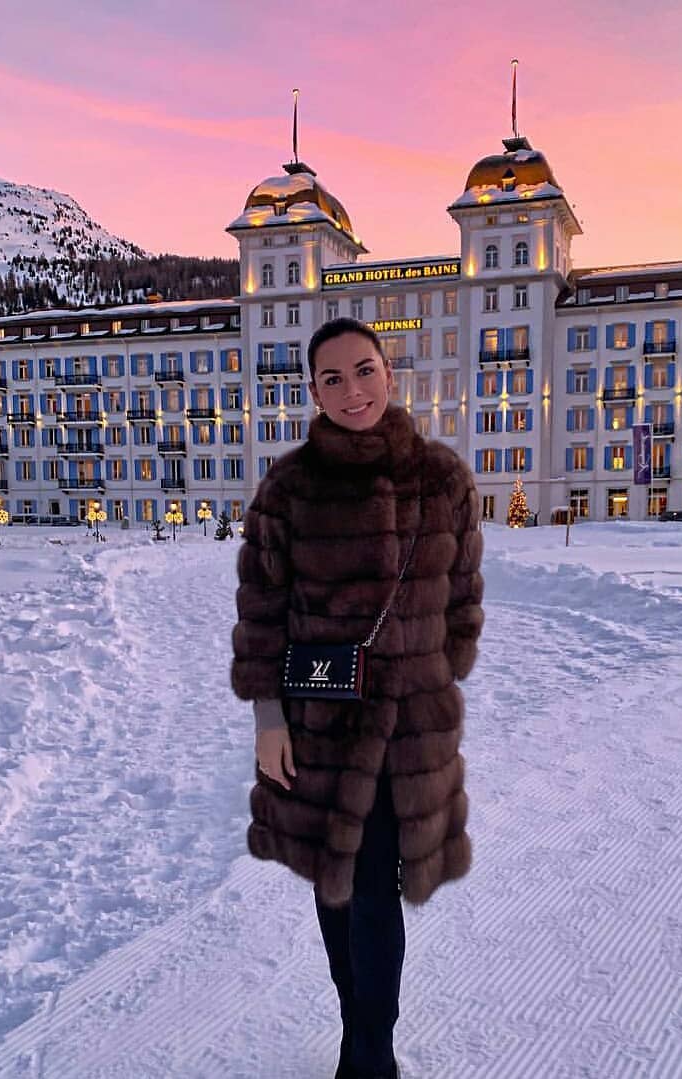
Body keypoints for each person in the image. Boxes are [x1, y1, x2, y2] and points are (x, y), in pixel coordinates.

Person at [231, 317, 484, 1079]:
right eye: (332, 378)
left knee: (375, 883)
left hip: (410, 727)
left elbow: (463, 597)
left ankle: (369, 1051)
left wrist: (434, 672)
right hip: (322, 719)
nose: (352, 390)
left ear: (388, 373)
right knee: (338, 879)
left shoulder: (441, 478)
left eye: (364, 369)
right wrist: (268, 718)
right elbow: (261, 611)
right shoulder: (288, 488)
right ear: (312, 392)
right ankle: (359, 1031)